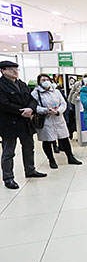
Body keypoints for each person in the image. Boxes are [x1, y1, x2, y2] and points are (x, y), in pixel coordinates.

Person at [0, 61, 47, 189]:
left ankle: (30, 170)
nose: (15, 71)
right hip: (9, 123)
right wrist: (22, 111)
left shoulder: (22, 84)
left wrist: (31, 109)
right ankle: (8, 178)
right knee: (8, 152)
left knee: (29, 148)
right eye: (11, 69)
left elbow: (32, 99)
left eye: (16, 69)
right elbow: (3, 104)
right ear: (3, 71)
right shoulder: (1, 85)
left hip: (25, 123)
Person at [31, 74, 82, 169]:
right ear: (39, 82)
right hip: (46, 120)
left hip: (58, 119)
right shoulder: (36, 93)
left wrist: (58, 111)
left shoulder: (56, 91)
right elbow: (34, 106)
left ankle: (70, 158)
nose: (46, 81)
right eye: (43, 80)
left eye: (47, 79)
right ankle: (51, 160)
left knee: (64, 139)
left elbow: (63, 103)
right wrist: (45, 110)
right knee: (47, 141)